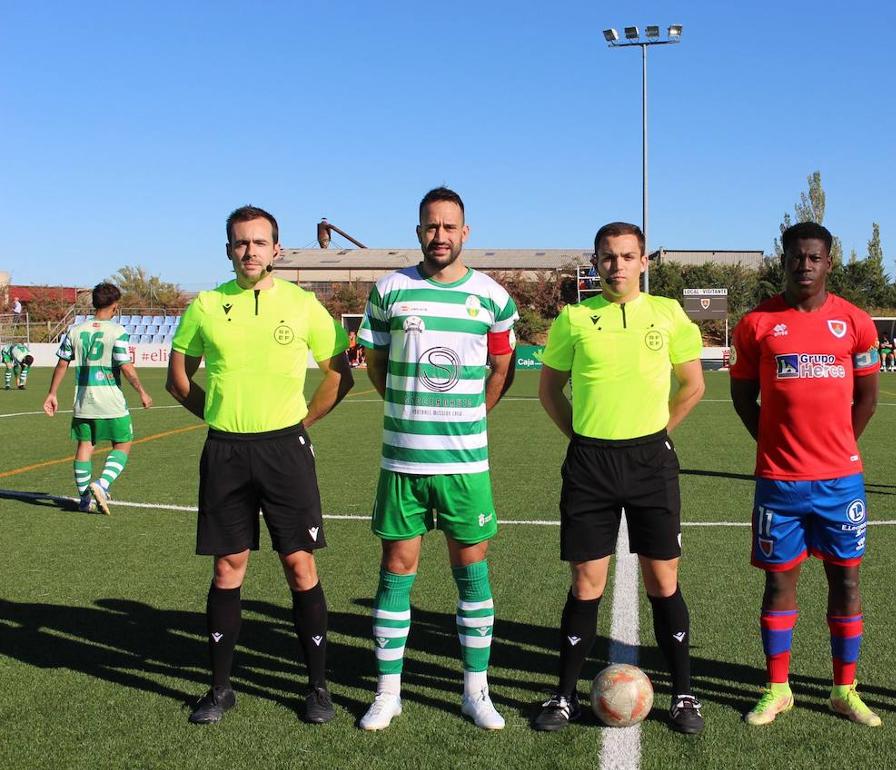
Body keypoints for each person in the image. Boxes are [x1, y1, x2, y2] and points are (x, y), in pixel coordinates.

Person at [166, 205, 352, 725]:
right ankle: (220, 689)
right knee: (228, 567)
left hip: (284, 450)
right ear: (228, 249)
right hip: (226, 451)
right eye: (240, 243)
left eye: (259, 242)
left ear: (277, 249)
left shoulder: (302, 304)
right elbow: (178, 379)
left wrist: (302, 424)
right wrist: (220, 417)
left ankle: (317, 687)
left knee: (300, 565)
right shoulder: (204, 305)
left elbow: (339, 374)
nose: (250, 251)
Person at [354, 187, 518, 732]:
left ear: (465, 232)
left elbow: (500, 372)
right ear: (418, 230)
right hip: (403, 461)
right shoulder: (389, 291)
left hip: (465, 464)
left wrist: (470, 416)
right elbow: (376, 365)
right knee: (396, 572)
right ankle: (387, 692)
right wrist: (408, 407)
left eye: (450, 227)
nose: (440, 235)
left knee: (472, 574)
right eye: (431, 226)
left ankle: (476, 692)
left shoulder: (493, 298)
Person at [532, 221, 706, 734]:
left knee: (663, 580)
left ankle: (684, 696)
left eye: (627, 257)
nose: (617, 266)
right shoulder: (574, 319)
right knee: (587, 583)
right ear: (595, 261)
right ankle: (564, 697)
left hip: (651, 462)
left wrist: (656, 434)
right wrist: (581, 438)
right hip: (590, 464)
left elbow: (692, 386)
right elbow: (549, 391)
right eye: (608, 257)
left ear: (644, 261)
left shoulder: (668, 314)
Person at [729, 221, 882, 728]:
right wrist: (775, 443)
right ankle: (778, 689)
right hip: (780, 481)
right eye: (796, 257)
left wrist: (838, 444)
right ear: (784, 259)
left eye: (814, 257)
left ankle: (845, 689)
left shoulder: (857, 323)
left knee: (847, 580)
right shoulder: (756, 324)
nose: (805, 265)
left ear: (828, 263)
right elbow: (740, 397)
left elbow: (868, 398)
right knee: (778, 583)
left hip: (842, 482)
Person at [43, 283, 153, 513]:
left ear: (94, 303)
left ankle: (84, 500)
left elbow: (62, 363)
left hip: (83, 401)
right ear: (115, 306)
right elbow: (125, 365)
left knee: (85, 445)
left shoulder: (75, 330)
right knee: (123, 443)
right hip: (110, 400)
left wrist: (52, 393)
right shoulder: (117, 331)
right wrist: (141, 391)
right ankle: (102, 484)